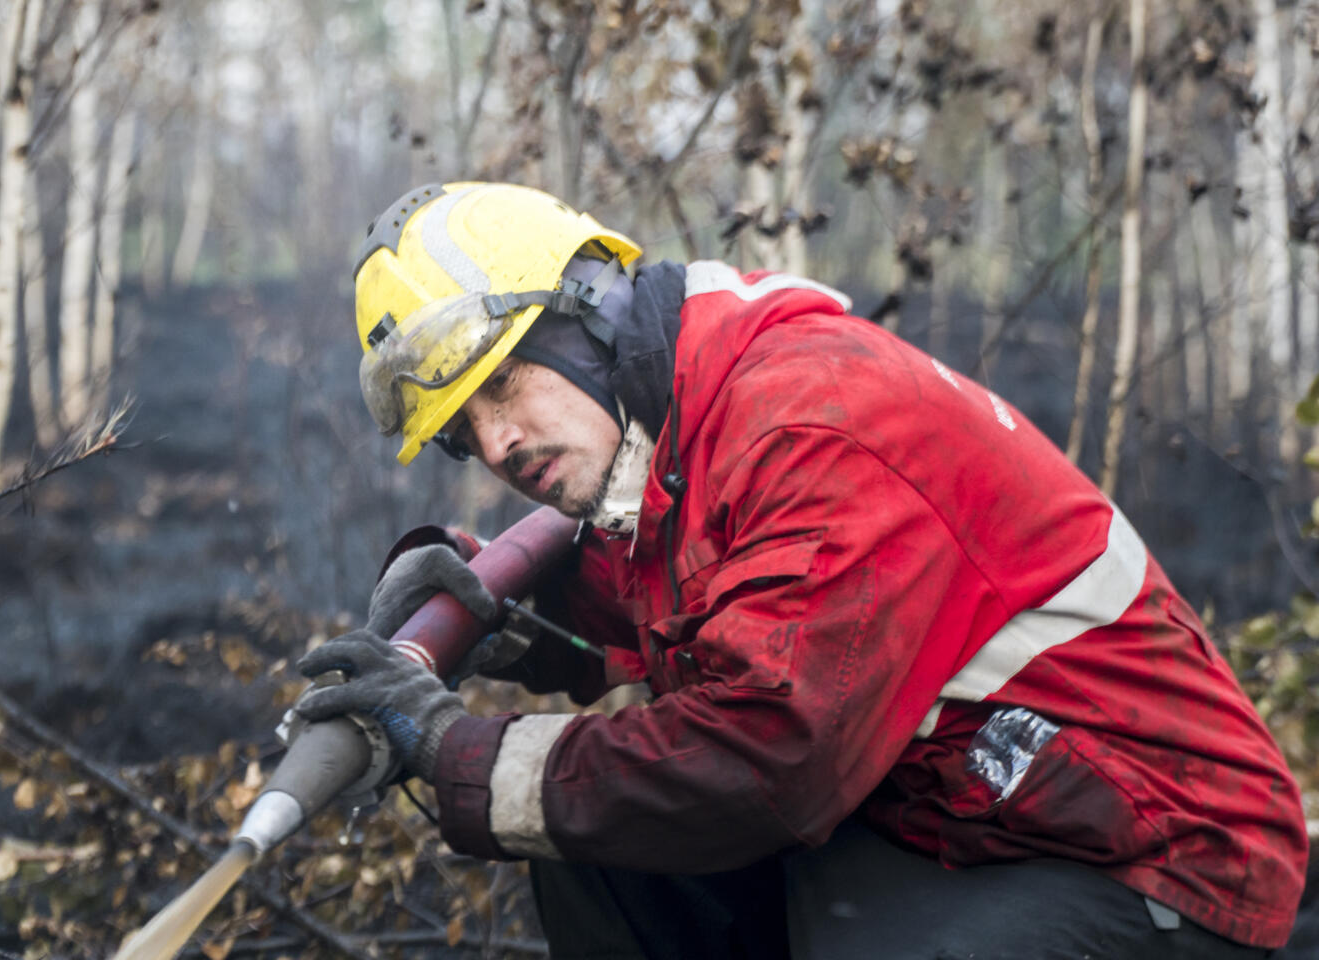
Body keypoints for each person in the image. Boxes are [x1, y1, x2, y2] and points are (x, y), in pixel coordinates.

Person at [291, 181, 1307, 958]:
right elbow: (695, 606)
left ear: (589, 312)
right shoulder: (692, 412)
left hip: (1154, 850)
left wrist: (454, 751)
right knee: (603, 857)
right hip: (964, 808)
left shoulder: (809, 421)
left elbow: (765, 753)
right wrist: (513, 614)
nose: (502, 441)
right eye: (467, 431)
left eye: (505, 380)